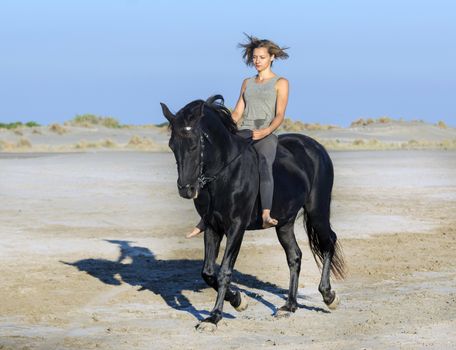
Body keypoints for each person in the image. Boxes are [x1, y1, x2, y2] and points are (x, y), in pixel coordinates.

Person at [187, 34, 289, 238]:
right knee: (219, 163)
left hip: (265, 134)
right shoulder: (247, 83)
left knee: (263, 162)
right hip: (244, 132)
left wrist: (267, 131)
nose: (257, 61)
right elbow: (236, 113)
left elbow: (279, 115)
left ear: (271, 58)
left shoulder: (280, 82)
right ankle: (206, 216)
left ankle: (266, 212)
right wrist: (223, 129)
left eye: (261, 57)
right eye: (254, 57)